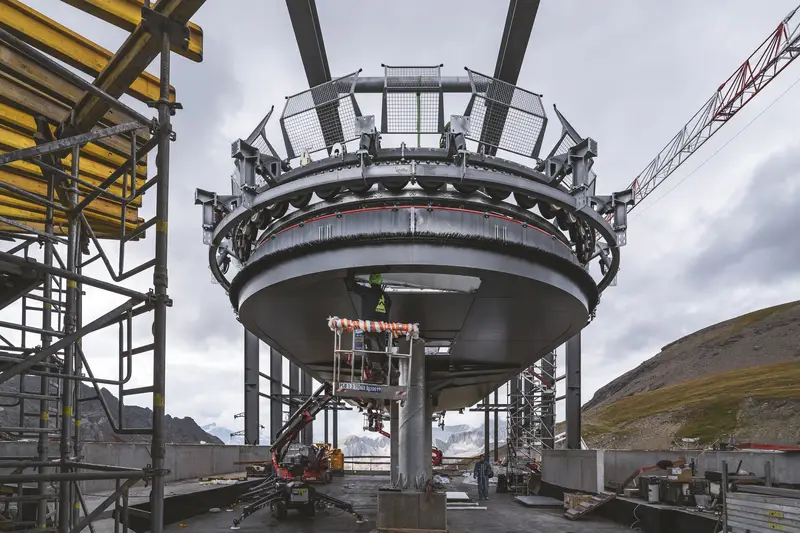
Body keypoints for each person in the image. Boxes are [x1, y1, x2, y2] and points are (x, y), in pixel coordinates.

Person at [345, 274, 393, 383]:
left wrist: (349, 273)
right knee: (381, 350)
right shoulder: (386, 297)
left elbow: (351, 286)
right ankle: (392, 372)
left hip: (369, 326)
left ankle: (377, 375)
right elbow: (388, 310)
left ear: (371, 282)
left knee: (372, 349)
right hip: (382, 327)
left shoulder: (367, 292)